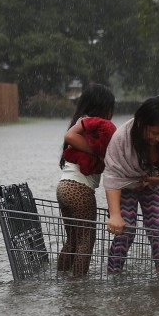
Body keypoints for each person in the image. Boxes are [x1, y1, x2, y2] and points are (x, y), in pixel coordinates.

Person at [103, 96, 159, 273]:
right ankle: (113, 274)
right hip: (125, 185)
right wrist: (115, 215)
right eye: (154, 132)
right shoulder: (121, 138)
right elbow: (112, 176)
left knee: (158, 225)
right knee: (126, 229)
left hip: (153, 185)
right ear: (140, 123)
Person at [56, 84, 116, 277]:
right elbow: (73, 139)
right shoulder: (90, 123)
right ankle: (78, 284)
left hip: (64, 186)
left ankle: (62, 276)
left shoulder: (82, 124)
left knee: (72, 239)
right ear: (104, 108)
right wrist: (98, 152)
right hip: (80, 189)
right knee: (85, 240)